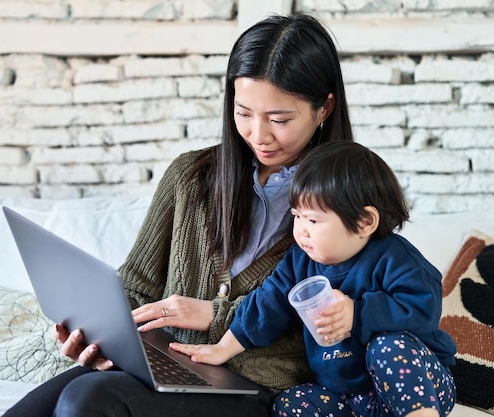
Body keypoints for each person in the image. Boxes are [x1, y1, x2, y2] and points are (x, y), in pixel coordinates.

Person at [2, 12, 354, 417]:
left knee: (86, 401)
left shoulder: (348, 202)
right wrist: (99, 338)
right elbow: (136, 288)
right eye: (243, 113)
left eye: (280, 119)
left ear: (324, 108)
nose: (259, 135)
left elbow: (338, 327)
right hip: (163, 368)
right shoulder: (189, 177)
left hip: (257, 390)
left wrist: (216, 316)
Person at [170, 141, 457, 417]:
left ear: (365, 222)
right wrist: (222, 349)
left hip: (421, 387)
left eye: (314, 220)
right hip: (349, 397)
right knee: (291, 403)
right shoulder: (300, 262)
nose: (301, 231)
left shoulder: (394, 258)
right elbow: (265, 305)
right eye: (297, 216)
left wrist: (357, 314)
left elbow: (424, 309)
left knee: (388, 349)